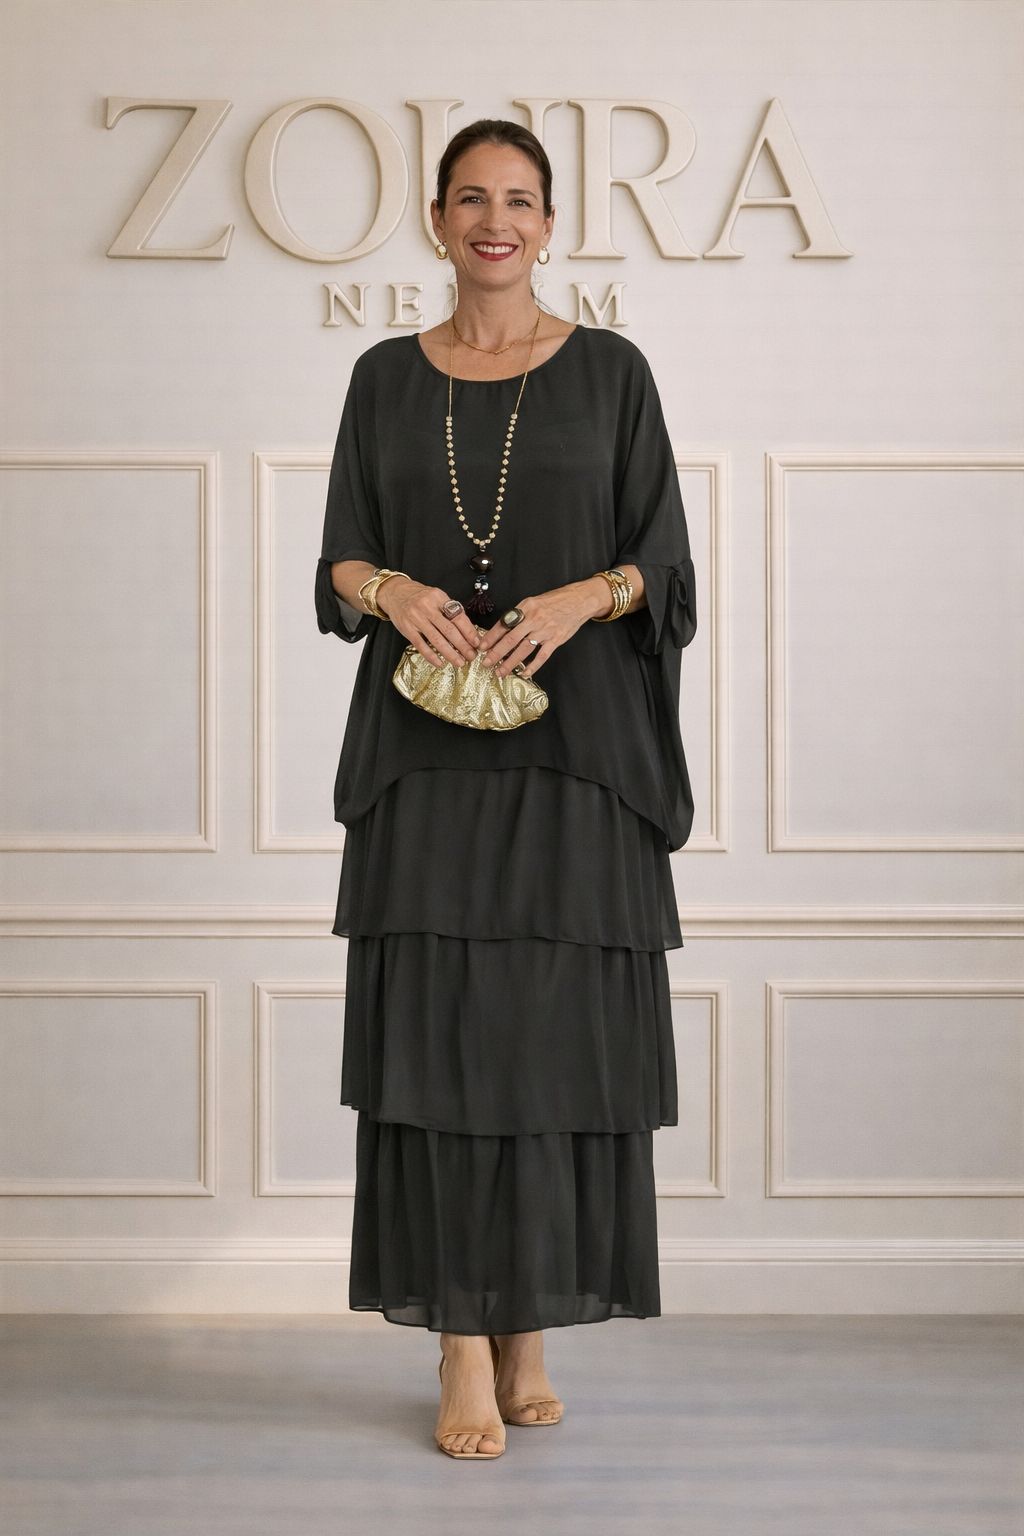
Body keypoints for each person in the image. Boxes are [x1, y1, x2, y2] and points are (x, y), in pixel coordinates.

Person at [315, 119, 697, 1461]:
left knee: (548, 1044)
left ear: (549, 223)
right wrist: (391, 589)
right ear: (436, 219)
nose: (496, 221)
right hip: (425, 759)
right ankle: (462, 1343)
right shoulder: (381, 377)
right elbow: (340, 556)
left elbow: (665, 563)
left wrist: (584, 596)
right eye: (471, 198)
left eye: (520, 200)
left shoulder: (611, 373)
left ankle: (527, 1320)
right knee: (442, 1043)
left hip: (578, 755)